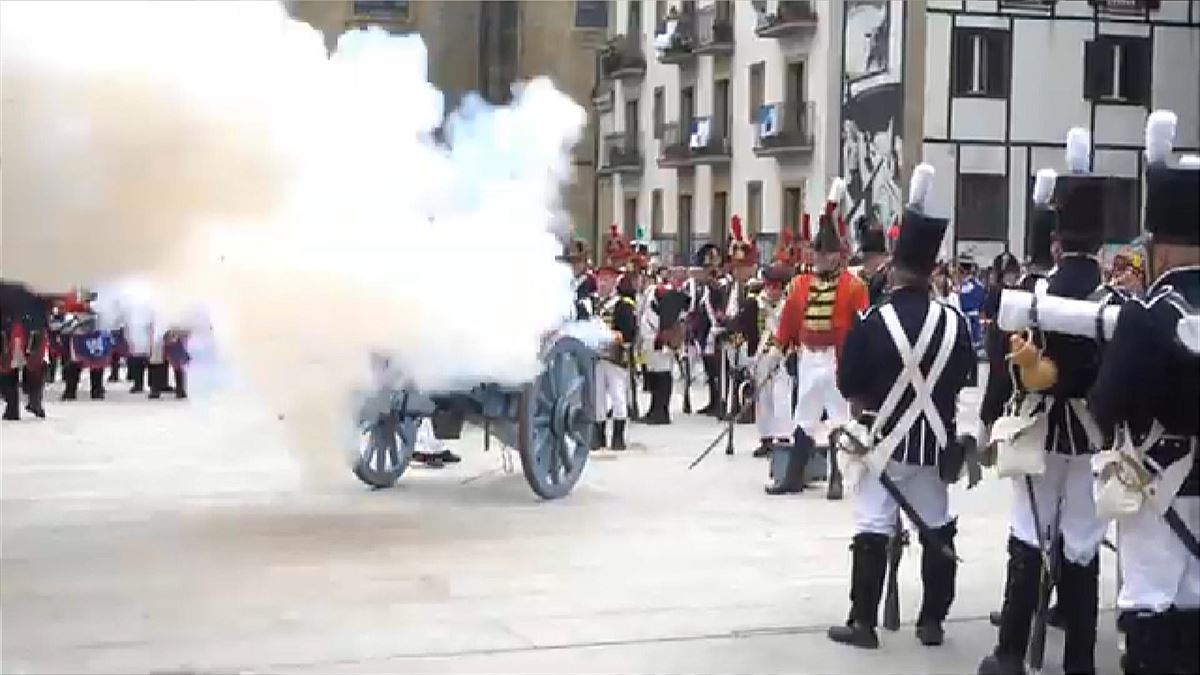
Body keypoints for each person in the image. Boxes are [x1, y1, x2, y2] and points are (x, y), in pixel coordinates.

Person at [978, 136, 1114, 675]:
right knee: (1082, 543)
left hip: (1038, 434)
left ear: (1056, 241)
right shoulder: (1118, 300)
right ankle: (1079, 660)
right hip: (1090, 439)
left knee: (1028, 536)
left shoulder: (1032, 294)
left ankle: (1011, 652)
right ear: (1100, 243)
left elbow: (1002, 359)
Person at [826, 163, 975, 649]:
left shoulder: (873, 321)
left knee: (871, 527)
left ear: (894, 268)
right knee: (937, 529)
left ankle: (863, 623)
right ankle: (932, 620)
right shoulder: (956, 323)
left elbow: (849, 384)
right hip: (933, 449)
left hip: (883, 444)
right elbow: (962, 379)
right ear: (931, 269)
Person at [1088, 110, 1199, 675]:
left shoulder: (1145, 314)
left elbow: (1105, 406)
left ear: (1157, 247)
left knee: (1150, 606)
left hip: (1159, 487)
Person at [772, 178, 869, 497]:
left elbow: (861, 327)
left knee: (839, 418)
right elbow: (789, 317)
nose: (819, 258)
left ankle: (836, 479)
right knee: (804, 416)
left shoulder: (854, 287)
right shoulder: (800, 283)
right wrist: (780, 346)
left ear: (837, 256)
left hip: (835, 358)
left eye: (825, 253)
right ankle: (793, 476)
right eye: (817, 252)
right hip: (808, 356)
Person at [592, 226, 638, 451]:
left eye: (607, 280)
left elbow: (629, 332)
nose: (602, 284)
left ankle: (618, 436)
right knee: (598, 396)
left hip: (616, 356)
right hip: (596, 356)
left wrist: (619, 337)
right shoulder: (593, 304)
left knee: (618, 396)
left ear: (614, 283)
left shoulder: (621, 304)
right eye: (600, 280)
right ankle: (598, 435)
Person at [752, 254, 794, 458]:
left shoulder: (789, 306)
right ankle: (766, 437)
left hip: (782, 357)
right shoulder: (756, 303)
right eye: (769, 286)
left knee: (781, 397)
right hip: (761, 356)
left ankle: (784, 437)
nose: (772, 291)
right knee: (763, 399)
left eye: (776, 287)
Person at [721, 215, 759, 430]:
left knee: (750, 374)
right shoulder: (730, 287)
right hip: (732, 338)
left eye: (742, 267)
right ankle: (732, 405)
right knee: (733, 373)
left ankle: (749, 408)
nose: (737, 271)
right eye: (736, 267)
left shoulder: (756, 287)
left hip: (750, 338)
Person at [640, 273, 688, 425]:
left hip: (660, 340)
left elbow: (669, 316)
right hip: (650, 340)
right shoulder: (649, 294)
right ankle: (655, 409)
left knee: (662, 375)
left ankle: (662, 411)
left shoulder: (661, 294)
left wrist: (665, 334)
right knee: (654, 375)